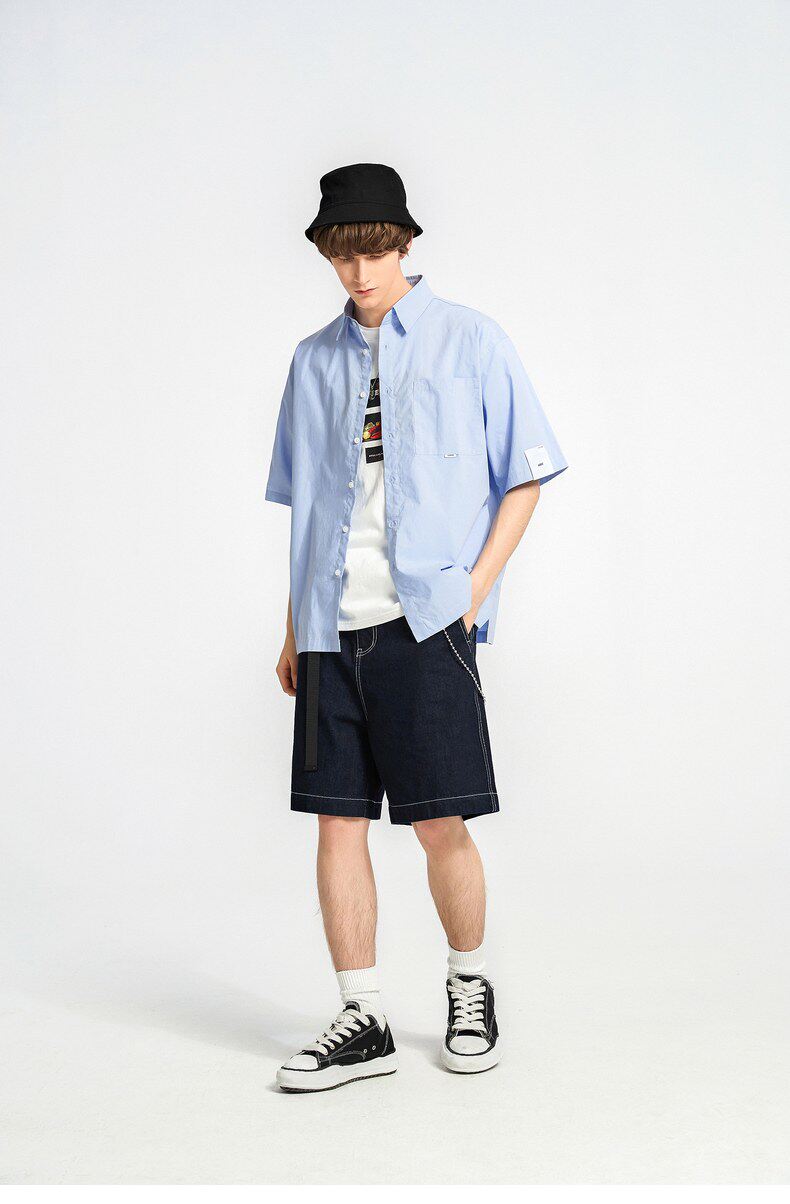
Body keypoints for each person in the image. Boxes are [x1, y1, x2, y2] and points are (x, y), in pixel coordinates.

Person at [265, 163, 568, 1093]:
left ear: (403, 245)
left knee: (441, 822)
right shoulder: (311, 361)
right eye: (342, 256)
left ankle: (469, 985)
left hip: (425, 622)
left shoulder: (470, 340)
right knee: (336, 826)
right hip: (329, 626)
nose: (360, 273)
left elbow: (526, 474)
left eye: (375, 252)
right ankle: (361, 1017)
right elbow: (307, 507)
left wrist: (472, 593)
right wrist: (293, 628)